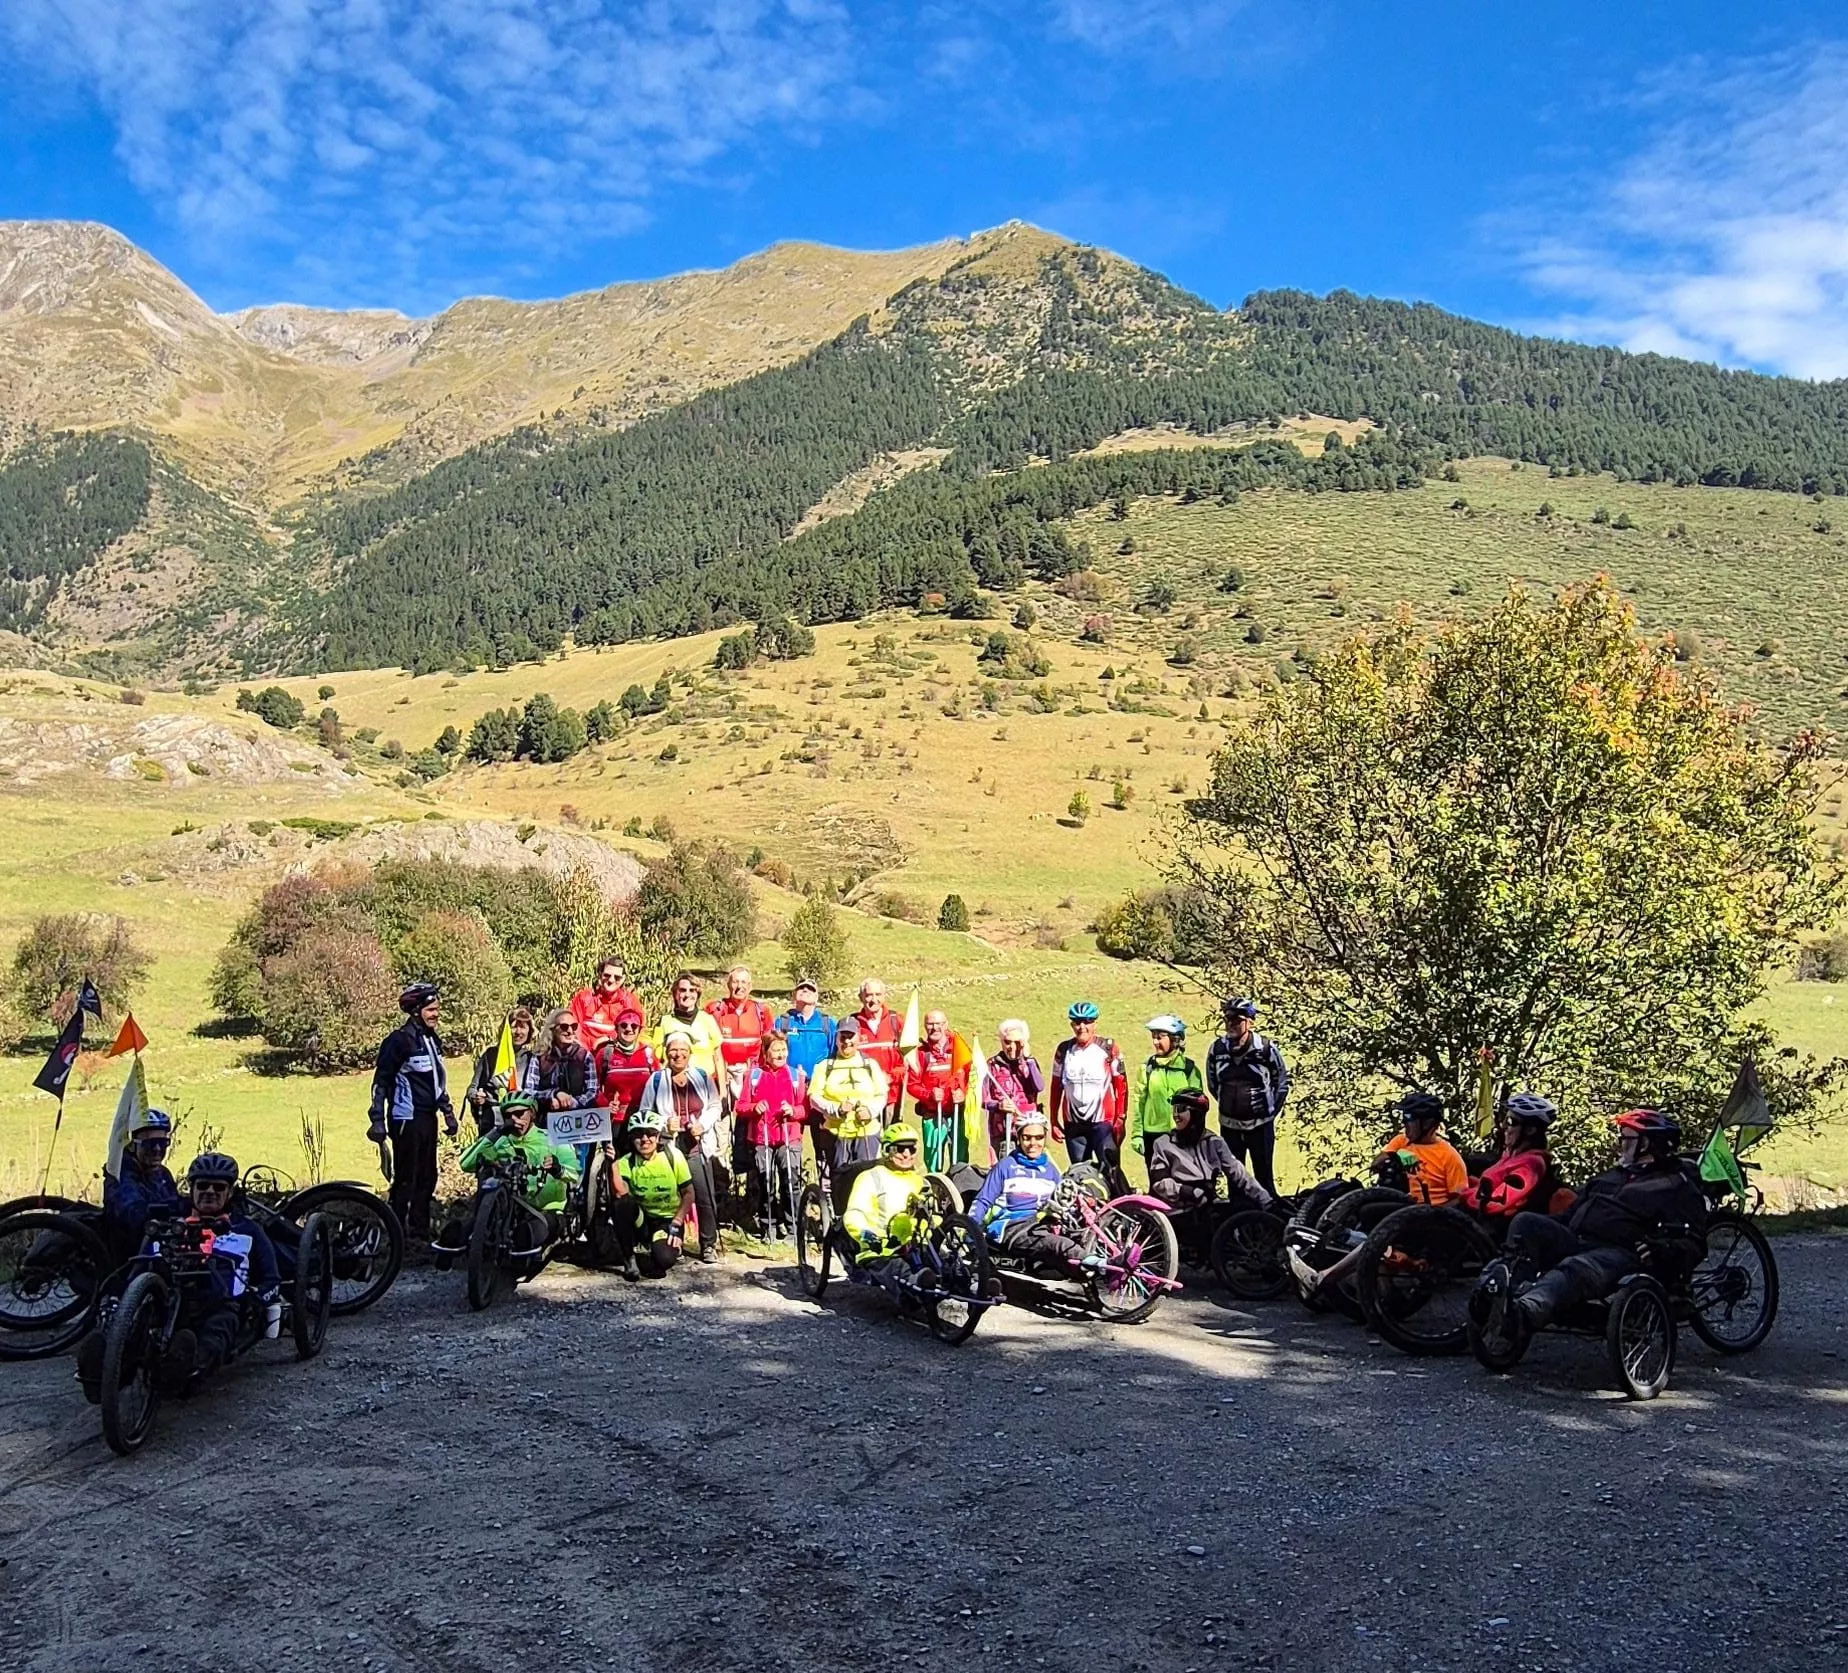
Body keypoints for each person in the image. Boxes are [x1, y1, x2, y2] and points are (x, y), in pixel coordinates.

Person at [1482, 1108, 1709, 1341]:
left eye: (1627, 1138)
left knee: (1575, 1267)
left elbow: (1694, 1243)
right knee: (1526, 1222)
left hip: (1621, 1252)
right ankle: (1503, 1293)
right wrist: (1544, 1228)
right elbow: (1570, 1214)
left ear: (1647, 1144)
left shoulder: (1675, 1185)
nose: (1620, 1144)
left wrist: (1662, 1249)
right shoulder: (1612, 1176)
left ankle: (1526, 1311)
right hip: (1579, 1238)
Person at [80, 1150, 280, 1399]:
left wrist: (257, 1297)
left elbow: (272, 1279)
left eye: (218, 1187)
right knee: (135, 1326)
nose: (210, 1192)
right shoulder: (169, 1224)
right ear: (191, 1189)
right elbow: (140, 1268)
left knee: (217, 1332)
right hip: (165, 1297)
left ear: (230, 1192)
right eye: (202, 1186)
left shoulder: (249, 1230)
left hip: (220, 1303)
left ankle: (183, 1369)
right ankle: (103, 1370)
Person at [1309, 1091, 1467, 1302]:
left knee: (1371, 1214)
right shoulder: (1403, 1141)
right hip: (1401, 1201)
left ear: (1428, 1123)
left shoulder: (1449, 1156)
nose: (1405, 1125)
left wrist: (1433, 1212)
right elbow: (1377, 1163)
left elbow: (1459, 1198)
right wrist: (1401, 1156)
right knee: (1364, 1210)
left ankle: (1345, 1273)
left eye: (1409, 1119)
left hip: (1426, 1213)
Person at [434, 1094, 582, 1264]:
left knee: (527, 1234)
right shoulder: (501, 1141)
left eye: (519, 1114)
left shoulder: (552, 1139)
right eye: (508, 1116)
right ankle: (452, 1243)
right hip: (507, 1209)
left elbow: (574, 1175)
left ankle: (522, 1247)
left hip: (543, 1210)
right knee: (460, 1229)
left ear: (532, 1114)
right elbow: (466, 1163)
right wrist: (495, 1132)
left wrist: (558, 1168)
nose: (514, 1119)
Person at [367, 981, 457, 1238]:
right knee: (407, 1178)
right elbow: (380, 1082)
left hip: (428, 1117)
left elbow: (436, 1081)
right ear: (416, 1011)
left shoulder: (431, 1039)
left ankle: (419, 1231)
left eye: (437, 1009)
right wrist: (376, 1119)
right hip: (405, 1117)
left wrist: (448, 1112)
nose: (436, 1014)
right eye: (431, 1010)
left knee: (428, 1176)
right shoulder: (399, 1041)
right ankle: (396, 1234)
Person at [968, 1110, 1102, 1275]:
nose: (1033, 1143)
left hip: (1043, 1225)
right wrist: (969, 1230)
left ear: (1045, 1138)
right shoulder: (1005, 1166)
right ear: (1018, 1138)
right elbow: (983, 1200)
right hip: (1012, 1227)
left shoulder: (1051, 1171)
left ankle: (1100, 1266)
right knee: (1055, 1243)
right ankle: (1098, 1263)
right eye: (1027, 1137)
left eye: (1039, 1137)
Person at [636, 1032, 724, 1263]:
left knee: (703, 1193)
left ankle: (708, 1244)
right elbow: (644, 1113)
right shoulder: (656, 1080)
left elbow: (715, 1106)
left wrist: (702, 1125)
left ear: (690, 1053)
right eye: (673, 1050)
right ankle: (676, 1241)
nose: (678, 1054)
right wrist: (664, 1124)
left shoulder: (702, 1076)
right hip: (668, 1146)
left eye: (683, 1050)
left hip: (696, 1143)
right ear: (666, 1053)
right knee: (674, 1196)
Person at [1204, 998, 1290, 1196]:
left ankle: (1268, 1222)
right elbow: (1212, 1083)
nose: (1231, 1024)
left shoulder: (1266, 1049)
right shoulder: (1217, 1049)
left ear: (1250, 1022)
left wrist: (1269, 1112)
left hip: (1261, 1126)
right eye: (1227, 1019)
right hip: (1230, 1125)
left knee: (1264, 1178)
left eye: (1237, 1020)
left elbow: (1282, 1083)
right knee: (1235, 1180)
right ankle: (1237, 1223)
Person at [1147, 1088, 1272, 1219]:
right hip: (1177, 1212)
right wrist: (1188, 1192)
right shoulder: (1163, 1143)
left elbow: (1239, 1173)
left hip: (1207, 1206)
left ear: (1196, 1114)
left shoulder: (1214, 1142)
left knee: (1245, 1209)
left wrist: (1265, 1199)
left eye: (1181, 1109)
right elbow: (1159, 1183)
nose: (1175, 1115)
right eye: (1174, 1109)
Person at [734, 1032, 808, 1240]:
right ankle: (769, 1225)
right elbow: (739, 1107)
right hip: (761, 1137)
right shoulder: (754, 1076)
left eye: (784, 1049)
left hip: (789, 1136)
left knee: (790, 1179)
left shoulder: (796, 1076)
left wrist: (793, 1111)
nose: (781, 1054)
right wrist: (755, 1108)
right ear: (765, 1053)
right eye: (776, 1050)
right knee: (766, 1182)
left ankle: (793, 1226)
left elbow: (805, 1109)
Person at [608, 1112, 695, 1280]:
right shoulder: (627, 1161)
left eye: (650, 1133)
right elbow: (621, 1193)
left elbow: (689, 1194)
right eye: (638, 1135)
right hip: (643, 1219)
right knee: (621, 1205)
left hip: (668, 1220)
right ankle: (629, 1258)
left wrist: (676, 1225)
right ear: (631, 1139)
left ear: (658, 1135)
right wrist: (613, 1165)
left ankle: (651, 1249)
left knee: (664, 1260)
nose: (645, 1139)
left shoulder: (673, 1156)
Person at [1465, 1091, 1570, 1222]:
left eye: (1511, 1122)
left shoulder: (1530, 1166)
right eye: (1504, 1119)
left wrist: (1462, 1194)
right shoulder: (1510, 1156)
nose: (1504, 1127)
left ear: (1530, 1130)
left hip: (1494, 1228)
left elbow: (1495, 1203)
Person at [807, 1017, 890, 1180]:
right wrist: (836, 1109)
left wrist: (870, 1111)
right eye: (842, 1037)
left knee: (867, 1178)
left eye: (850, 1036)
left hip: (867, 1131)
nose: (847, 1042)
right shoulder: (824, 1066)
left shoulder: (870, 1064)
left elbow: (882, 1094)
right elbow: (814, 1097)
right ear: (836, 1039)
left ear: (858, 1037)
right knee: (840, 1179)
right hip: (837, 1133)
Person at [1049, 1002, 1128, 1173]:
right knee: (1080, 1172)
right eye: (1077, 1022)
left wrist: (1121, 1118)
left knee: (1110, 1170)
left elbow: (1121, 1086)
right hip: (1074, 1124)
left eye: (1087, 1021)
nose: (1082, 1027)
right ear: (1072, 1024)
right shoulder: (1063, 1050)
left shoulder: (1108, 1047)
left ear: (1095, 1024)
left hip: (1103, 1123)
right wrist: (1054, 1120)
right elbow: (1056, 1087)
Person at [842, 1122, 925, 1281]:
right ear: (887, 1150)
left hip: (915, 1244)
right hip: (881, 1248)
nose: (907, 1154)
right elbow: (854, 1213)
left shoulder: (920, 1181)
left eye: (912, 1149)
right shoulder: (870, 1177)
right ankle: (915, 1283)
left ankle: (972, 1283)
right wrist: (865, 1234)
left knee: (943, 1260)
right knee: (895, 1267)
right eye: (900, 1149)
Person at [1127, 1015, 1203, 1170]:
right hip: (1153, 1135)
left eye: (1160, 1038)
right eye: (1153, 1037)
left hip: (1182, 1135)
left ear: (1174, 1040)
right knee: (1157, 1184)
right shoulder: (1147, 1068)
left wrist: (1196, 1135)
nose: (1155, 1042)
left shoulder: (1189, 1070)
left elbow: (1198, 1108)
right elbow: (1139, 1102)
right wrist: (1137, 1135)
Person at [101, 1107, 182, 1253]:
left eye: (163, 1143)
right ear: (132, 1145)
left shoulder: (163, 1174)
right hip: (130, 1256)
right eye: (150, 1144)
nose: (157, 1149)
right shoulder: (119, 1175)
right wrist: (177, 1208)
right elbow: (134, 1215)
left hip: (165, 1247)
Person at [904, 1009, 968, 1172]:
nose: (934, 1028)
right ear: (925, 1026)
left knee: (960, 1159)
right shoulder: (920, 1054)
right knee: (933, 1158)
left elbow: (973, 1077)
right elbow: (912, 1084)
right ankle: (936, 1188)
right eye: (930, 1024)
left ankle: (961, 1190)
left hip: (957, 1113)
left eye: (938, 1024)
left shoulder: (959, 1048)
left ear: (946, 1025)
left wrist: (963, 1092)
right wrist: (929, 1095)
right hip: (933, 1115)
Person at [466, 1006, 541, 1137]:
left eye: (523, 1027)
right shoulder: (490, 1055)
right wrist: (476, 1097)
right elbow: (472, 1089)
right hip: (492, 1122)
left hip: (520, 1124)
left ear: (529, 1031)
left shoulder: (531, 1059)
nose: (518, 1032)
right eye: (514, 1027)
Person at [708, 966, 776, 1106]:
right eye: (735, 982)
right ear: (728, 985)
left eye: (744, 982)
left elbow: (769, 1045)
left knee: (748, 1120)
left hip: (752, 1075)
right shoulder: (715, 1009)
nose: (739, 987)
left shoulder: (762, 1011)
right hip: (721, 1075)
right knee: (721, 1120)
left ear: (750, 986)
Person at [593, 1008, 657, 1155]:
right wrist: (605, 1105)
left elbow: (659, 1085)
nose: (629, 1029)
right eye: (624, 1025)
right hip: (615, 1119)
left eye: (634, 1026)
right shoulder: (605, 1054)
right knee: (615, 1162)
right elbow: (593, 1087)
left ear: (639, 1029)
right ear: (616, 1028)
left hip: (642, 1119)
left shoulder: (648, 1054)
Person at [982, 1020, 1045, 1160]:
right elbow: (982, 1099)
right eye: (1007, 1042)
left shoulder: (1030, 1064)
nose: (1012, 1047)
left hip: (1028, 1131)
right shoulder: (992, 1065)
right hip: (1002, 1131)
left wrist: (1028, 1059)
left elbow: (1039, 1087)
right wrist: (998, 1105)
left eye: (1017, 1042)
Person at [651, 972, 725, 1080]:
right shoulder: (664, 1021)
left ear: (698, 994)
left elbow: (718, 1058)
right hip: (674, 1084)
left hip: (704, 1085)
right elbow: (656, 1058)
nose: (687, 994)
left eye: (692, 990)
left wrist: (722, 1092)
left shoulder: (708, 1019)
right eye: (682, 990)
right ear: (675, 994)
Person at [849, 979, 905, 1113]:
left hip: (890, 1096)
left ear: (884, 996)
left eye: (878, 995)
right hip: (862, 1099)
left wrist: (890, 1077)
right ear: (861, 998)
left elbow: (908, 1061)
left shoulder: (896, 1021)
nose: (874, 1000)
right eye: (868, 995)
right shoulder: (853, 1023)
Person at [570, 958, 645, 1057]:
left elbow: (638, 1033)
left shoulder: (630, 1002)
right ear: (600, 975)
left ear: (623, 979)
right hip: (586, 1058)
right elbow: (572, 1029)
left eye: (617, 977)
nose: (611, 980)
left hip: (618, 1058)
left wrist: (610, 1041)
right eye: (607, 975)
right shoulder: (584, 998)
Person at [537, 1009, 599, 1116]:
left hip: (579, 1118)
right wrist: (552, 1095)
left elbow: (592, 1091)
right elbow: (529, 1091)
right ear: (553, 1029)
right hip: (546, 1118)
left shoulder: (585, 1056)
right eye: (564, 1027)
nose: (570, 1031)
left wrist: (572, 1102)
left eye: (573, 1026)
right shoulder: (540, 1057)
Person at [777, 977, 836, 1083]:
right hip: (789, 1082)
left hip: (820, 1084)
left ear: (816, 997)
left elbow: (835, 1053)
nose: (805, 990)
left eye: (810, 989)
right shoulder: (782, 1022)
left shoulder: (827, 1023)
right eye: (801, 988)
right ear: (794, 996)